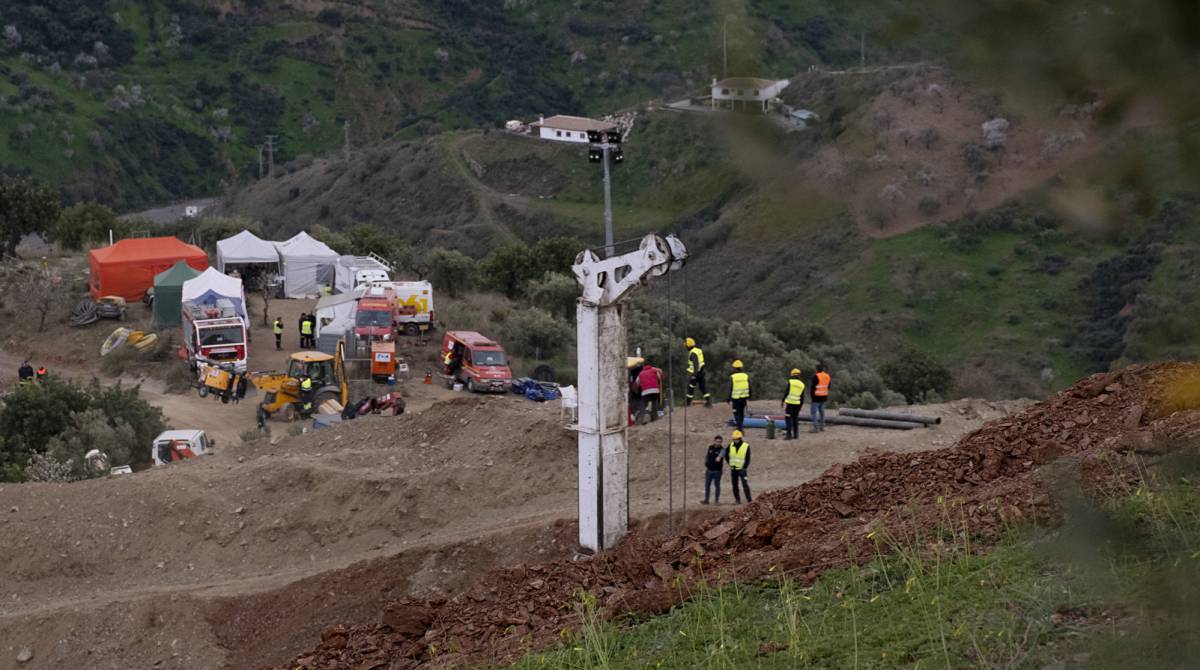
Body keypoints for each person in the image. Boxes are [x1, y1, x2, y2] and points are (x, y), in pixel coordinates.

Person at [726, 430, 752, 504]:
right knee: (734, 485)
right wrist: (729, 463)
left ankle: (749, 500)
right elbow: (726, 453)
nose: (735, 440)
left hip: (742, 470)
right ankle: (737, 500)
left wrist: (744, 467)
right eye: (734, 439)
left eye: (736, 439)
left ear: (740, 438)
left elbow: (748, 458)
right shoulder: (731, 445)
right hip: (733, 469)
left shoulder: (746, 446)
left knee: (745, 485)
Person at [685, 337, 712, 407]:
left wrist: (694, 375)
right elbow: (701, 362)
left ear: (688, 346)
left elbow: (696, 364)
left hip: (695, 373)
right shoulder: (698, 350)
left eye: (685, 345)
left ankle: (688, 403)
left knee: (690, 387)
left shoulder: (692, 353)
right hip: (701, 372)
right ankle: (708, 401)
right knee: (703, 387)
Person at [781, 368, 806, 440]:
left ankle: (789, 435)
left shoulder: (790, 382)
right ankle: (796, 435)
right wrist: (801, 406)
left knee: (788, 418)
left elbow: (787, 392)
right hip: (797, 404)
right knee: (795, 418)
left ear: (792, 374)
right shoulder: (802, 384)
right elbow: (802, 397)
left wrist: (782, 401)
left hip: (790, 404)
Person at [727, 359, 751, 430]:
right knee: (741, 413)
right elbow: (750, 386)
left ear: (734, 368)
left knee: (735, 413)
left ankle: (739, 427)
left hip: (736, 399)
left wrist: (728, 398)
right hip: (744, 398)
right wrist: (750, 396)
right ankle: (740, 426)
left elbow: (729, 388)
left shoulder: (732, 377)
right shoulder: (746, 376)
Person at [701, 435, 724, 505]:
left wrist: (719, 457)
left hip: (717, 472)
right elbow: (707, 455)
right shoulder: (710, 447)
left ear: (721, 442)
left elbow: (722, 454)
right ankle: (706, 500)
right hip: (709, 471)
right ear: (714, 441)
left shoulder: (722, 450)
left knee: (717, 486)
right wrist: (705, 462)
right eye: (717, 441)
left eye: (720, 442)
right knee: (707, 486)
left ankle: (716, 501)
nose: (718, 443)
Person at [810, 364, 831, 432]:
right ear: (823, 369)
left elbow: (812, 388)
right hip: (824, 396)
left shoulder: (816, 376)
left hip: (816, 397)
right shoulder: (827, 376)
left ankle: (816, 428)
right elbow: (829, 387)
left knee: (813, 412)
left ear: (817, 369)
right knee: (822, 412)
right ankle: (822, 427)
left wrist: (812, 396)